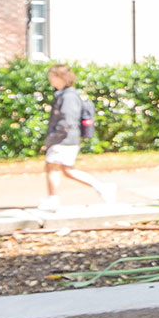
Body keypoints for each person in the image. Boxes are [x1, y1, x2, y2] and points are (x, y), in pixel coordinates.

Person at [38, 64, 115, 211]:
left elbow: (68, 119)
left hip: (63, 139)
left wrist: (55, 135)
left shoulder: (68, 96)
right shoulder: (65, 94)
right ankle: (103, 187)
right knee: (66, 170)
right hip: (66, 138)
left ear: (61, 78)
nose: (50, 80)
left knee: (52, 167)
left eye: (52, 76)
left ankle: (53, 199)